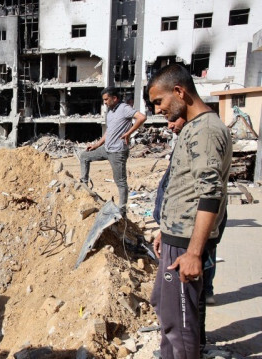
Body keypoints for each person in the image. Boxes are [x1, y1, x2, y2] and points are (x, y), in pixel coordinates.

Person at [147, 64, 232, 358]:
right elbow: (184, 188)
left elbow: (210, 195)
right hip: (176, 239)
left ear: (180, 92)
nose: (157, 110)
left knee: (181, 328)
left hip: (186, 246)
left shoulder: (206, 131)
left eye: (159, 101)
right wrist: (165, 231)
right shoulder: (193, 128)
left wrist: (194, 252)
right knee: (166, 311)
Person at [79, 87, 147, 215]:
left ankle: (122, 209)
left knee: (120, 181)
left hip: (117, 152)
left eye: (106, 99)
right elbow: (109, 132)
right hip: (106, 149)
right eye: (103, 100)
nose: (104, 102)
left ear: (114, 98)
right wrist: (97, 144)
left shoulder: (124, 108)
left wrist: (128, 133)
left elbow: (142, 118)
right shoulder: (110, 112)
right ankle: (84, 186)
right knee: (84, 156)